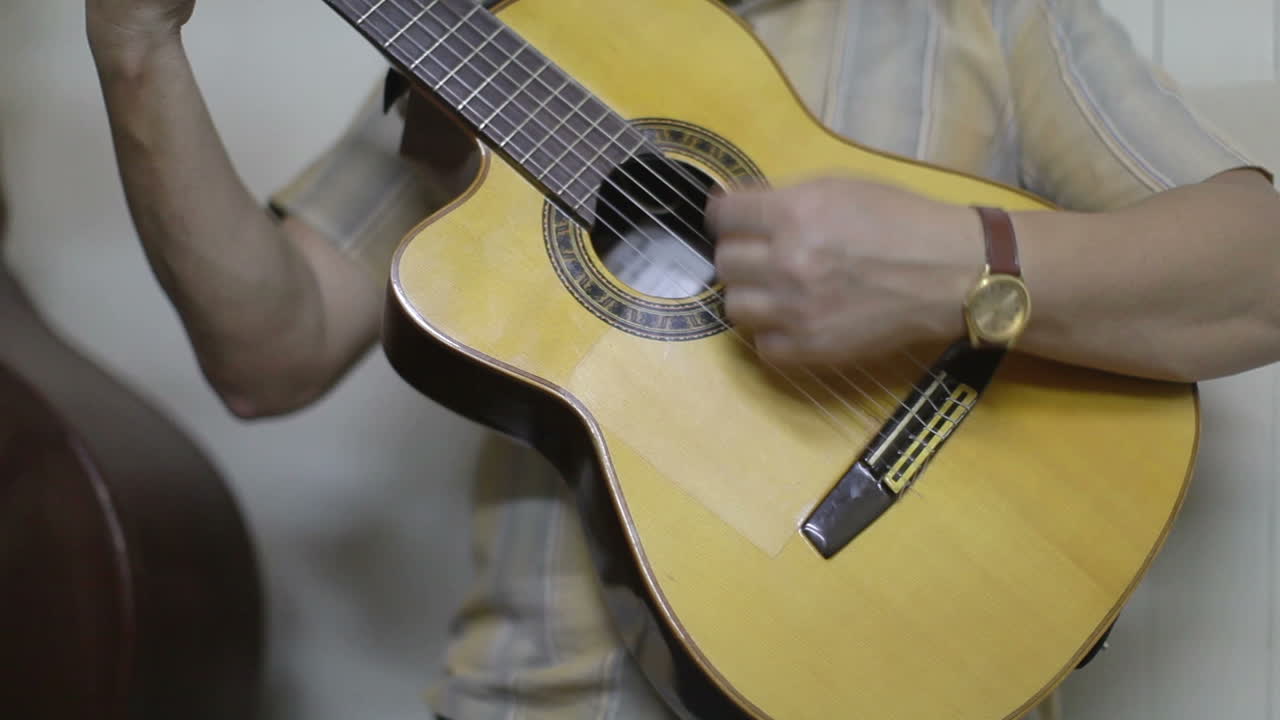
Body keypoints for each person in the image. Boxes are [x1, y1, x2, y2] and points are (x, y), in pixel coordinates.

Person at [85, 0, 1280, 718]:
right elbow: (268, 351)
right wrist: (136, 52)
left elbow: (1259, 270)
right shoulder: (498, 41)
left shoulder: (975, 16)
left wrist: (959, 269)